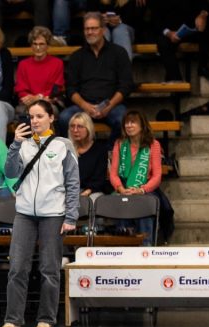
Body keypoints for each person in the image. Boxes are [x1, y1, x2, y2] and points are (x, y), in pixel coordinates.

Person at [0, 99, 79, 327]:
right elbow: (10, 172)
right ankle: (13, 322)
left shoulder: (64, 146)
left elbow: (73, 183)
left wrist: (71, 216)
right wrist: (14, 145)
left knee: (49, 270)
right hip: (24, 214)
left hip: (53, 214)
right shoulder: (22, 145)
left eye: (40, 116)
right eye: (31, 117)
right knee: (17, 268)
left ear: (51, 118)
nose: (34, 121)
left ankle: (45, 321)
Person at [58, 12, 133, 137]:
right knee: (64, 118)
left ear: (103, 30)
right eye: (87, 29)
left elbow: (126, 85)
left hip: (111, 106)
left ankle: (111, 149)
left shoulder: (119, 53)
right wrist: (85, 106)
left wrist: (109, 106)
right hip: (83, 106)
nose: (89, 32)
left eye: (93, 28)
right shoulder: (77, 56)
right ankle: (74, 150)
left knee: (122, 120)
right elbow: (71, 88)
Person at [108, 109, 165, 244]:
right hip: (124, 187)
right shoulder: (119, 144)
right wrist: (121, 189)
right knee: (122, 201)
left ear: (142, 125)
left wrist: (141, 190)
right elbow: (113, 174)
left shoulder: (153, 145)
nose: (129, 126)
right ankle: (124, 244)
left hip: (146, 189)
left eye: (133, 122)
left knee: (143, 202)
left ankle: (146, 244)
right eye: (126, 123)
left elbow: (157, 176)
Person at [153, 1, 209, 82]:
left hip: (191, 28)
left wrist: (202, 15)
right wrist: (169, 33)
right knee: (162, 42)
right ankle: (175, 78)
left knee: (205, 28)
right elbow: (156, 20)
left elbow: (205, 5)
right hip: (171, 32)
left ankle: (203, 66)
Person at [15, 26, 64, 115]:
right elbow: (21, 90)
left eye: (41, 44)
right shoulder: (23, 64)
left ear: (47, 46)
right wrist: (30, 98)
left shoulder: (57, 63)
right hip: (28, 103)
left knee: (46, 111)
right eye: (35, 44)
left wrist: (38, 97)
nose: (38, 47)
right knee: (22, 111)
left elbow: (56, 89)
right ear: (31, 45)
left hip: (49, 103)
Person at [68, 111, 108, 196]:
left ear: (88, 128)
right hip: (70, 191)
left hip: (92, 191)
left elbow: (99, 180)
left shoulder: (100, 150)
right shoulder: (66, 149)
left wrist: (85, 194)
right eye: (72, 126)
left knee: (94, 200)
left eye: (79, 126)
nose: (75, 130)